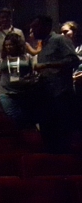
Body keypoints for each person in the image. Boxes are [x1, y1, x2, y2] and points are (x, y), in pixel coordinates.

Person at [31, 15, 80, 153]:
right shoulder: (44, 44)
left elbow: (73, 60)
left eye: (36, 26)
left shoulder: (60, 39)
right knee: (48, 135)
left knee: (62, 136)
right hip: (47, 95)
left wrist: (46, 65)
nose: (32, 30)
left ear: (46, 27)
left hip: (61, 94)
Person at [0, 34, 35, 130]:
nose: (8, 47)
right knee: (12, 115)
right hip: (6, 92)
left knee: (24, 115)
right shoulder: (1, 58)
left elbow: (33, 72)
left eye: (11, 45)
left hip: (24, 92)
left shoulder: (27, 57)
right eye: (6, 45)